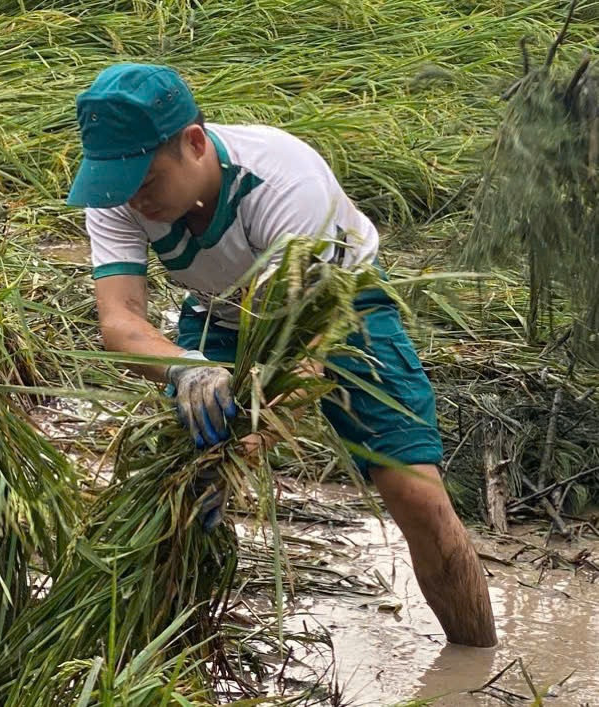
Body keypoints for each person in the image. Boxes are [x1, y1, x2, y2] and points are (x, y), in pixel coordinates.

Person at [66, 62, 497, 648]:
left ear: (194, 143)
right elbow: (120, 320)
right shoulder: (117, 192)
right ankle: (167, 650)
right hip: (219, 305)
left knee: (412, 489)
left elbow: (300, 361)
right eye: (116, 184)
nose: (133, 201)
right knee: (179, 481)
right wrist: (189, 371)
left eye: (145, 181)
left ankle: (474, 663)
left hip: (336, 304)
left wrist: (246, 445)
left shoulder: (284, 182)